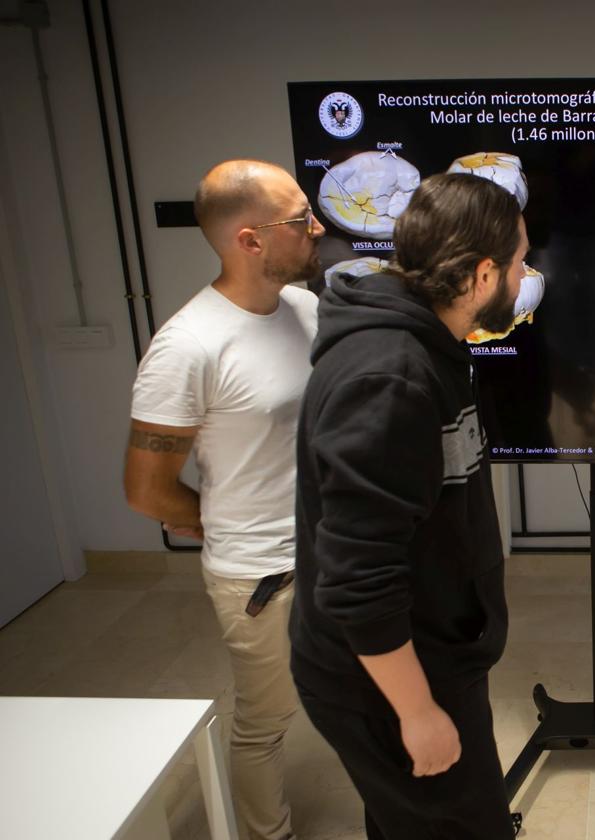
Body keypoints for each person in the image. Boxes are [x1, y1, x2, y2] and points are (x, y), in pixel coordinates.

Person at [291, 172, 527, 839]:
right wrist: (417, 712)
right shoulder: (390, 376)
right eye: (518, 263)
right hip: (388, 679)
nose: (524, 275)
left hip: (425, 653)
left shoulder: (421, 346)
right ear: (483, 275)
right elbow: (358, 580)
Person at [124, 159, 324, 840]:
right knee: (265, 722)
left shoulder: (304, 308)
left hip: (331, 552)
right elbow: (146, 491)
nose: (317, 228)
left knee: (361, 693)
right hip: (261, 573)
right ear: (250, 240)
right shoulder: (187, 346)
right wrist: (234, 534)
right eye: (300, 220)